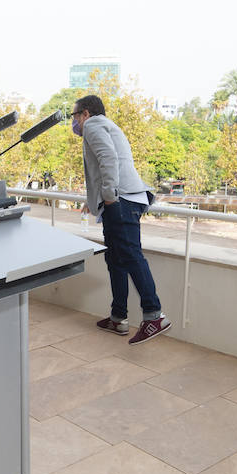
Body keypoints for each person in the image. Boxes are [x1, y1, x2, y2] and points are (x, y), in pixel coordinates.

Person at [73, 94, 170, 345]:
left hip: (121, 200)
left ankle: (154, 316)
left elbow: (108, 158)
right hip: (123, 199)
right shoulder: (106, 125)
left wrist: (108, 195)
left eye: (75, 116)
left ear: (86, 113)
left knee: (130, 256)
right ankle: (118, 318)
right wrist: (97, 199)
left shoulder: (93, 125)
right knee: (116, 259)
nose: (74, 122)